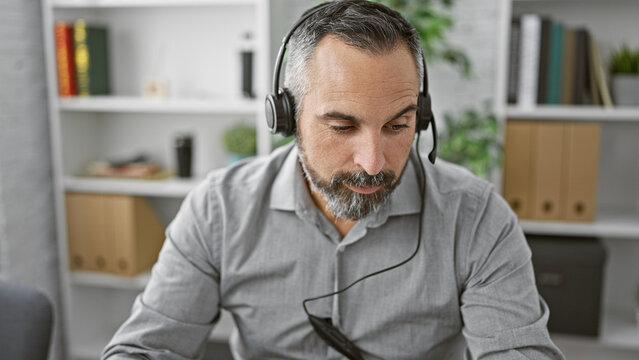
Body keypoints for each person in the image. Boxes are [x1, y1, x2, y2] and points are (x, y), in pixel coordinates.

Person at [103, 1, 564, 359]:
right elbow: (146, 347)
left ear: (421, 119)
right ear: (287, 117)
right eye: (342, 127)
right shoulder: (219, 210)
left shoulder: (477, 218)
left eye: (398, 126)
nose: (371, 162)